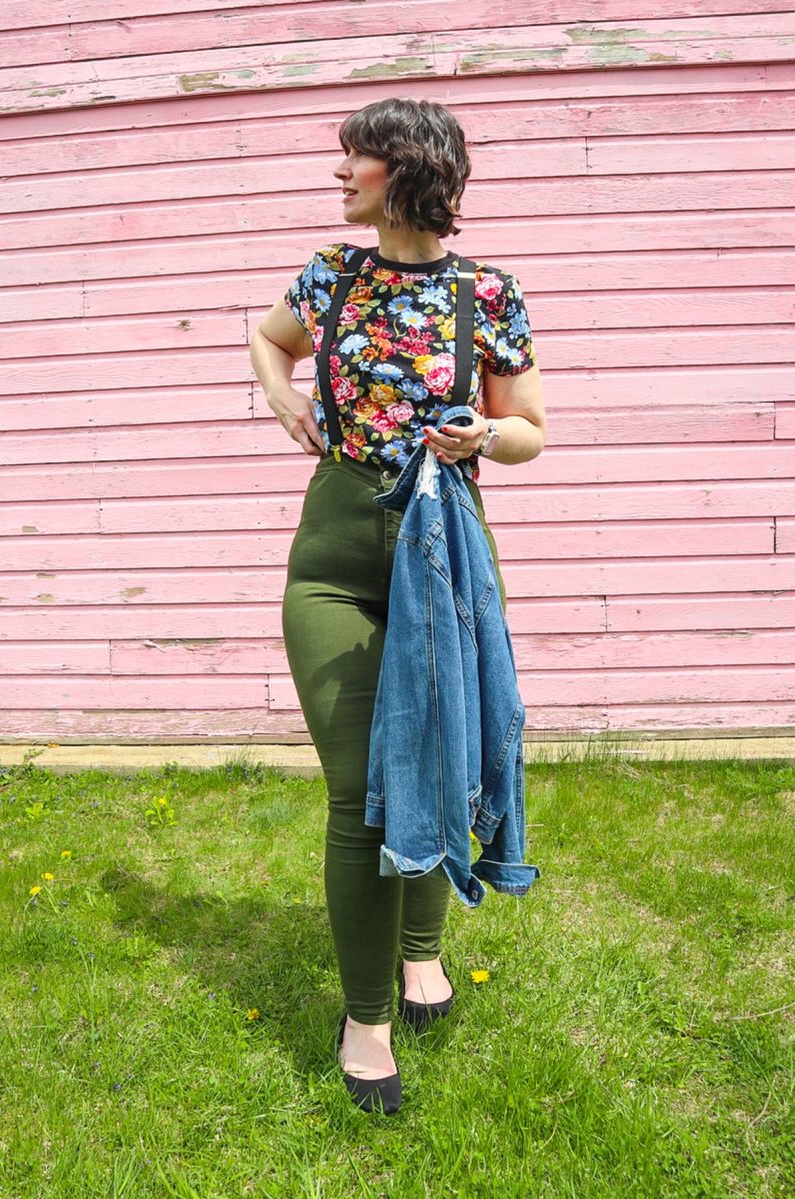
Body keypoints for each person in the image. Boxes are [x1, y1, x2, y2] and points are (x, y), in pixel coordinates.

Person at [249, 96, 546, 1114]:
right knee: (354, 792)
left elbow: (531, 429)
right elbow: (265, 339)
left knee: (438, 757)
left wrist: (485, 440)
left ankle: (423, 949)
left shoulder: (486, 293)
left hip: (445, 558)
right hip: (332, 559)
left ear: (406, 170)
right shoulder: (329, 276)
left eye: (356, 161)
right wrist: (283, 393)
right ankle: (365, 1015)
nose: (339, 176)